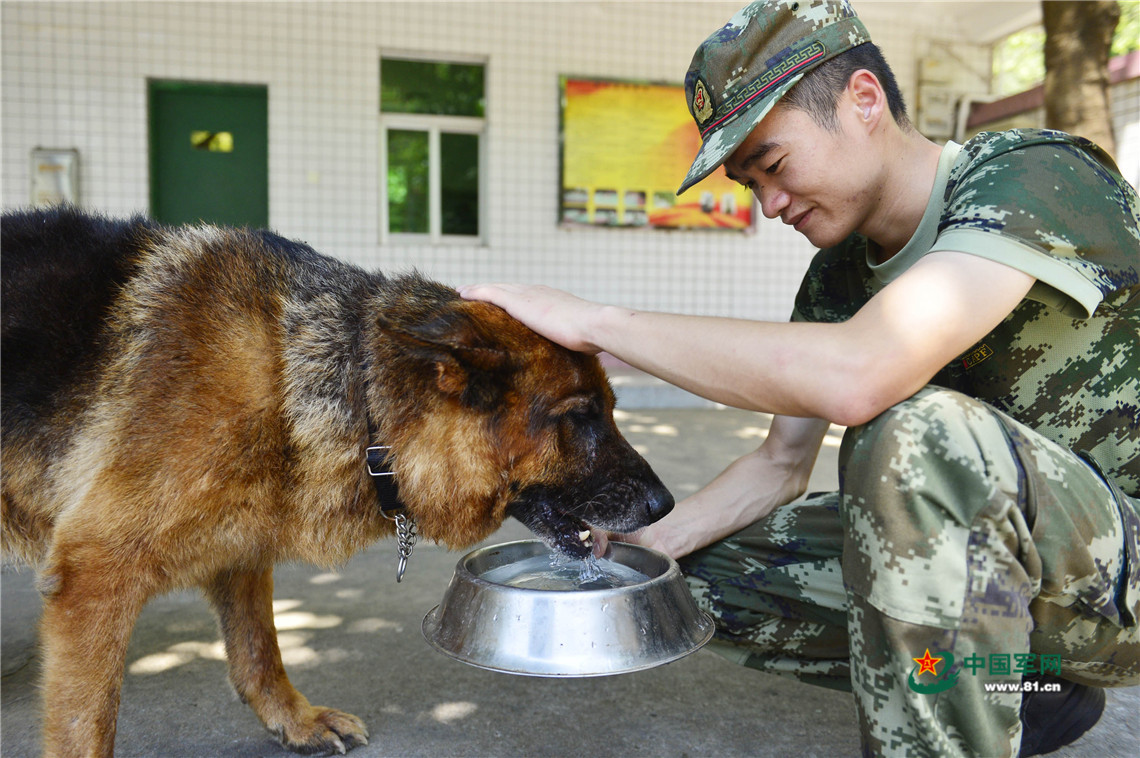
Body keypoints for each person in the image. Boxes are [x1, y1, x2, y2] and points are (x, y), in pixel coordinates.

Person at [460, 1, 1140, 755]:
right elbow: (780, 465)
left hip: (1123, 575)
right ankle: (1022, 688)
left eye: (775, 166)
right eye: (750, 186)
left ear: (863, 101)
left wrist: (596, 324)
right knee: (681, 580)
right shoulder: (837, 278)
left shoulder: (1034, 174)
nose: (771, 204)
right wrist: (636, 550)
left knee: (912, 437)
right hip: (1021, 577)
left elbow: (860, 374)